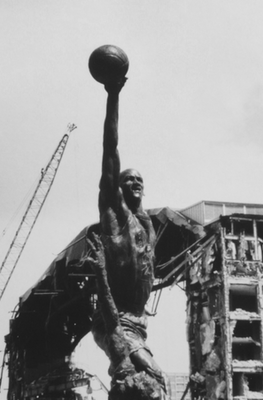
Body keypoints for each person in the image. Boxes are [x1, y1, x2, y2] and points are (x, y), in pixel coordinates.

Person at [89, 77, 166, 397]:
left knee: (144, 384)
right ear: (116, 188)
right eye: (129, 179)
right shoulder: (115, 216)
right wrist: (113, 96)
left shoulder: (147, 227)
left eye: (139, 180)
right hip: (115, 323)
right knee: (154, 380)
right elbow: (110, 149)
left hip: (137, 324)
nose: (136, 182)